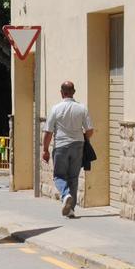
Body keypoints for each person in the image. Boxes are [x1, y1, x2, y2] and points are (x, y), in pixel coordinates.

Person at [42, 81, 94, 218]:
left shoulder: (55, 109)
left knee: (59, 175)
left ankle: (65, 195)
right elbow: (90, 130)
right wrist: (82, 137)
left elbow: (48, 132)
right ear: (74, 92)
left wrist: (45, 150)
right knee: (73, 177)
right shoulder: (82, 108)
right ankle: (71, 209)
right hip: (78, 145)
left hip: (61, 146)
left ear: (61, 93)